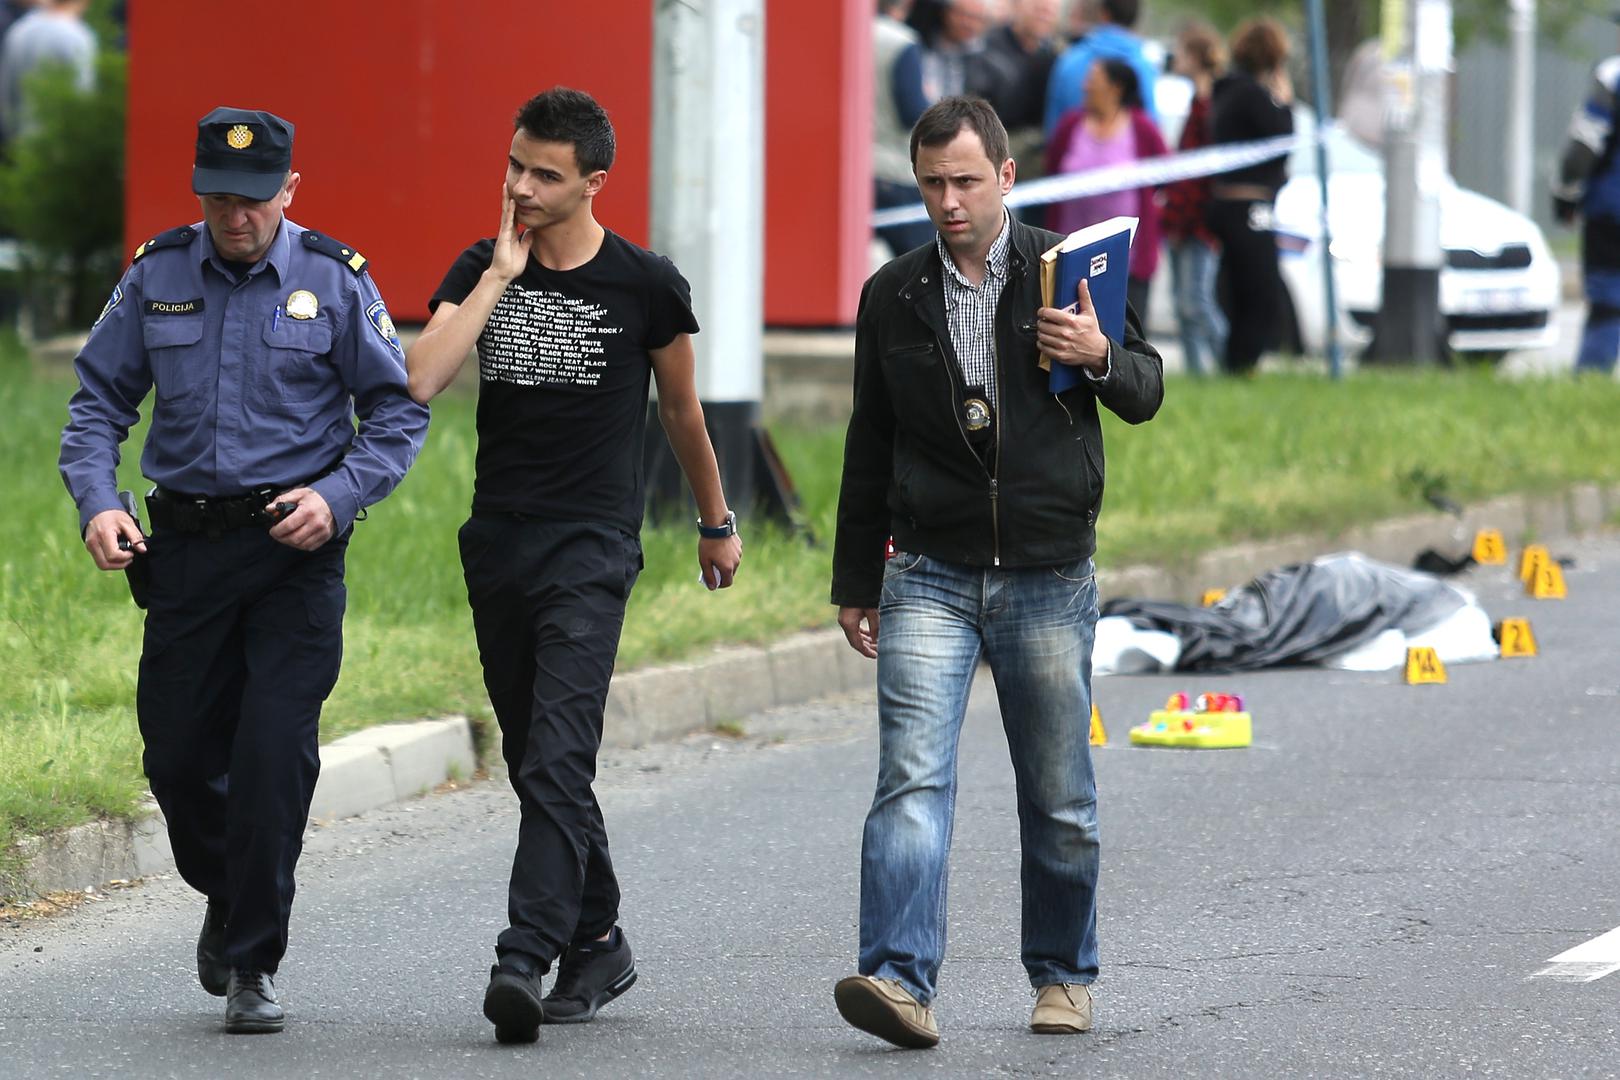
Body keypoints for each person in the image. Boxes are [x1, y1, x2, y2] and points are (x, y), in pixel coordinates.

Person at [58, 107, 430, 1034]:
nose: (237, 217)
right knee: (178, 758)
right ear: (199, 193)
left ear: (289, 190)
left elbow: (396, 413)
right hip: (185, 554)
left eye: (255, 200)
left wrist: (338, 497)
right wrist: (99, 501)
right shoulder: (156, 275)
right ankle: (229, 890)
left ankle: (253, 960)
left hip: (292, 558)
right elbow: (98, 402)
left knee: (270, 759)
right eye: (220, 199)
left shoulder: (335, 279)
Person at [405, 86, 744, 1046]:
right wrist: (498, 276)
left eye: (544, 175)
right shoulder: (481, 267)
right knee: (533, 758)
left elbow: (681, 412)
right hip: (498, 542)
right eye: (515, 166)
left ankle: (525, 954)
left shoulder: (645, 284)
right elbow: (422, 377)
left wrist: (714, 520)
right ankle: (599, 939)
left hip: (592, 547)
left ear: (593, 182)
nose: (521, 187)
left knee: (558, 755)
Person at [830, 95, 1163, 1049]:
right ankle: (899, 981)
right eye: (932, 183)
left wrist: (1098, 355)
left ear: (1006, 178)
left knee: (1057, 793)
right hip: (928, 569)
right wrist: (856, 579)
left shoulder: (1069, 268)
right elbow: (869, 440)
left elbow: (1146, 389)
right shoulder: (893, 293)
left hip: (1047, 571)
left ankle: (1061, 974)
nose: (949, 201)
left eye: (967, 181)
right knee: (910, 780)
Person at [1045, 57, 1167, 318]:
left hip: (1128, 260)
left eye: (1093, 80)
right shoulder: (1070, 125)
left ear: (1116, 88)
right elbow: (1052, 172)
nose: (1085, 86)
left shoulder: (1142, 128)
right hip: (1070, 256)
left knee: (1125, 333)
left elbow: (1166, 174)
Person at [1207, 17, 1293, 376]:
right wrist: (1284, 103)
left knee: (1239, 287)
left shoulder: (1227, 91)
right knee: (1260, 291)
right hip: (1248, 206)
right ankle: (1242, 364)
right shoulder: (1252, 96)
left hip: (1229, 204)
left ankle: (1236, 362)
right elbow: (1282, 137)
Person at [1160, 20, 1228, 376]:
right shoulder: (1195, 104)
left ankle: (1230, 363)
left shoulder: (1210, 107)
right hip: (1180, 218)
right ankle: (1196, 372)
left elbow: (1203, 174)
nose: (1177, 59)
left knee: (1196, 300)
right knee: (1181, 303)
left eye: (1183, 52)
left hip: (1199, 221)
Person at [1554, 38, 1620, 375]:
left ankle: (1591, 379)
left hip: (1611, 211)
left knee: (1608, 303)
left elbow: (1584, 146)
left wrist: (1565, 196)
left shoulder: (1613, 76)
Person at [875, 0, 937, 256]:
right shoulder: (901, 42)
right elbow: (914, 113)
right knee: (921, 265)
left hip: (854, 170)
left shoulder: (846, 34)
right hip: (895, 172)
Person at [1042, 0, 1158, 137]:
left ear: (1103, 13)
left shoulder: (1070, 60)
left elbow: (1053, 125)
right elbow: (1151, 128)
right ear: (1135, 19)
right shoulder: (1144, 68)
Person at [0, 0, 92, 144]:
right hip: (57, 143)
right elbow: (81, 100)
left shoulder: (19, 29)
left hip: (19, 142)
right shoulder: (76, 36)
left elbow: (7, 93)